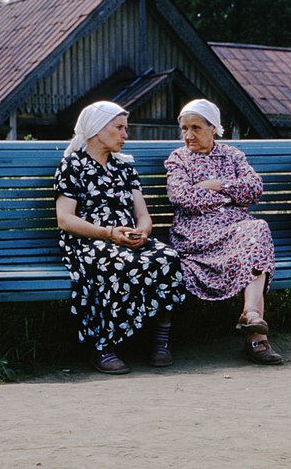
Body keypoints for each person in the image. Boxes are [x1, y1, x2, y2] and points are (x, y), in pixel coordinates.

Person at [54, 101, 186, 375]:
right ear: (97, 129)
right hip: (89, 242)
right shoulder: (72, 166)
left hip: (126, 239)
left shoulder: (124, 169)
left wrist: (142, 233)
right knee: (115, 262)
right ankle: (103, 346)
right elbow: (65, 219)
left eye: (126, 128)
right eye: (120, 128)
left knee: (168, 258)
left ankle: (160, 342)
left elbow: (144, 215)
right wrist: (108, 234)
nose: (125, 134)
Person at [165, 99, 283, 365]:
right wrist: (231, 196)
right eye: (184, 128)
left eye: (196, 128)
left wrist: (215, 185)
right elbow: (182, 197)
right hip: (196, 237)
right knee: (255, 236)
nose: (188, 135)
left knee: (258, 231)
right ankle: (257, 340)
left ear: (213, 128)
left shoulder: (233, 155)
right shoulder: (179, 159)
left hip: (236, 234)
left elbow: (254, 189)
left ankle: (252, 317)